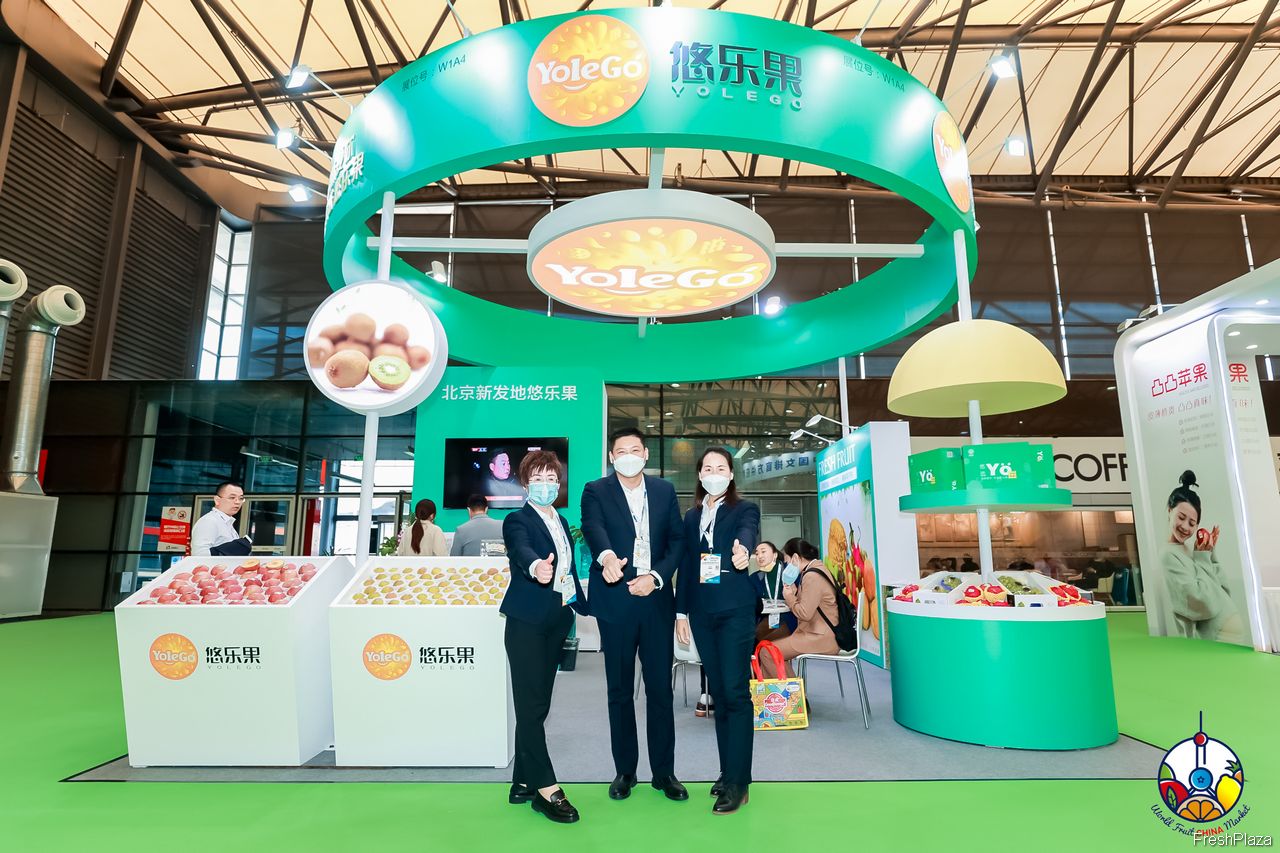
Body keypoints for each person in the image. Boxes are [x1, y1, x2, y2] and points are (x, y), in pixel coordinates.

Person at [580, 427, 687, 803]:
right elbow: (592, 527)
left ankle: (664, 773)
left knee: (660, 689)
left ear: (645, 455)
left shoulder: (664, 491)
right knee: (619, 690)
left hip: (655, 601)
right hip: (616, 601)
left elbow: (677, 540)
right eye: (620, 451)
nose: (628, 456)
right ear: (612, 457)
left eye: (634, 449)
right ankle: (625, 771)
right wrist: (607, 557)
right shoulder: (596, 490)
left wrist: (656, 577)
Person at [500, 449, 588, 824]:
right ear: (525, 483)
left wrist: (581, 603)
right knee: (530, 705)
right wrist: (536, 565)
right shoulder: (516, 520)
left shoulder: (562, 520)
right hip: (526, 620)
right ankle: (546, 789)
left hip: (557, 617)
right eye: (537, 478)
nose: (546, 485)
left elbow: (567, 570)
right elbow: (522, 550)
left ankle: (522, 782)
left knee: (538, 704)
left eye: (551, 478)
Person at [675, 446, 760, 815]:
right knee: (719, 695)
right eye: (707, 468)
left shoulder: (744, 509)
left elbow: (746, 534)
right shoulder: (692, 516)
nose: (714, 473)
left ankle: (740, 783)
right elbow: (685, 565)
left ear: (731, 474)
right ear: (699, 475)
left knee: (736, 693)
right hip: (701, 614)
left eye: (721, 467)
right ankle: (728, 772)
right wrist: (680, 612)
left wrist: (744, 552)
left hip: (735, 611)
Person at [1161, 470, 1234, 641]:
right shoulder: (1168, 555)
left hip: (1221, 641)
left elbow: (1223, 591)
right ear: (1169, 511)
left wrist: (1210, 553)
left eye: (1192, 523)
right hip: (1200, 645)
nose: (1185, 527)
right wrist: (1203, 557)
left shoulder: (1190, 549)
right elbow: (1205, 603)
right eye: (1181, 517)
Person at [758, 538, 840, 678]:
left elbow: (804, 614)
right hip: (819, 633)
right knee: (771, 649)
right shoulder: (816, 569)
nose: (787, 565)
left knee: (767, 652)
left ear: (795, 557)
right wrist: (796, 593)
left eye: (787, 561)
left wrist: (789, 597)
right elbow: (811, 604)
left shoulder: (812, 576)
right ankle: (785, 690)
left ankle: (791, 692)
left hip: (820, 637)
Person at [190, 482, 251, 557]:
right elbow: (198, 555)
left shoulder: (227, 523)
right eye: (232, 498)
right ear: (217, 500)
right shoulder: (209, 521)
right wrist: (224, 552)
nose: (237, 502)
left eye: (241, 498)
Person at [752, 541, 795, 644]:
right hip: (766, 618)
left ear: (775, 555)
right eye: (757, 554)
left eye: (763, 552)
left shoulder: (789, 571)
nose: (759, 556)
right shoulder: (755, 577)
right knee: (755, 636)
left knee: (764, 641)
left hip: (789, 618)